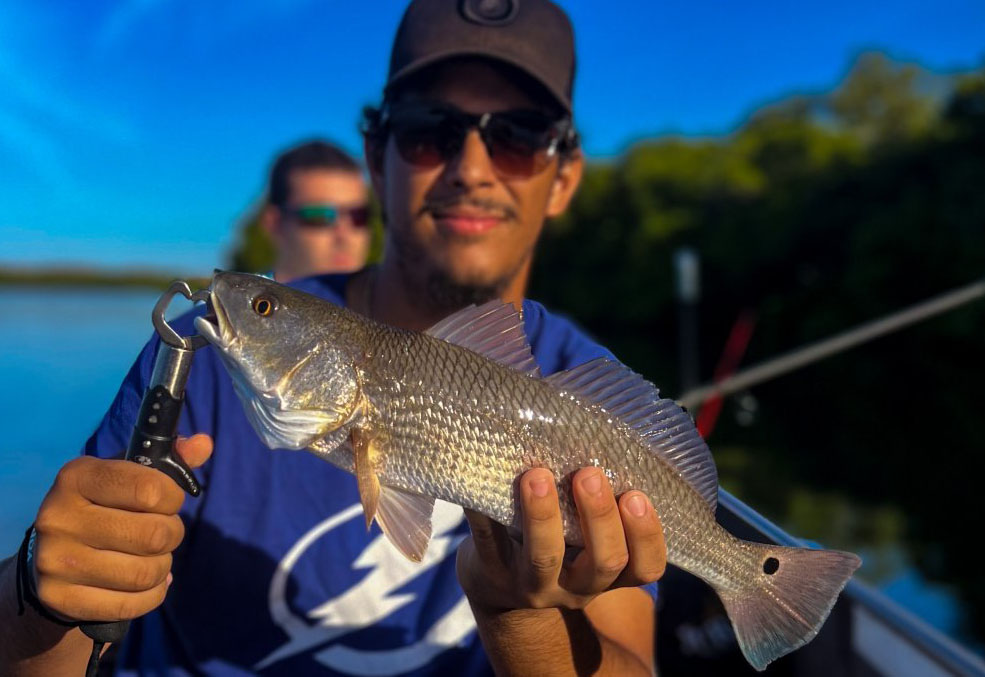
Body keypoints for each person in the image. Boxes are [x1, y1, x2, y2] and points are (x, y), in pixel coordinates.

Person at [0, 1, 667, 675]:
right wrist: (40, 591)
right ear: (377, 159)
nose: (471, 168)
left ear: (565, 178)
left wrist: (518, 614)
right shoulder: (199, 362)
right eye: (428, 130)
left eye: (519, 137)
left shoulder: (588, 392)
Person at [261, 140, 373, 281]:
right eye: (321, 216)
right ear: (274, 224)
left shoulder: (389, 302)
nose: (344, 235)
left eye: (359, 216)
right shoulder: (234, 301)